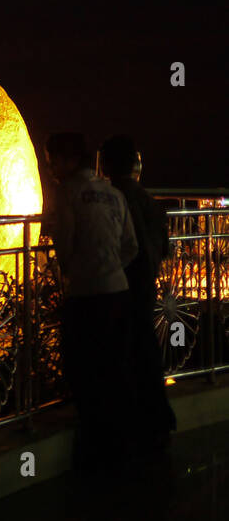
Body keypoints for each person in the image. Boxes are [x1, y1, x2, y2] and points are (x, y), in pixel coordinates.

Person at [45, 132, 139, 470]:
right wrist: (110, 267)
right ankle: (123, 449)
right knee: (116, 370)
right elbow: (131, 246)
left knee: (85, 372)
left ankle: (95, 452)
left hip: (86, 296)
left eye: (54, 159)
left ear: (70, 160)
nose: (51, 167)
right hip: (119, 291)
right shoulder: (113, 193)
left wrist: (78, 271)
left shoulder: (67, 193)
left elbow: (65, 246)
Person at [100, 134, 176, 452]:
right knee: (146, 349)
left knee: (123, 353)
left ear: (105, 165)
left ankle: (129, 426)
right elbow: (165, 248)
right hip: (146, 285)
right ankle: (156, 421)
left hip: (119, 286)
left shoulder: (111, 200)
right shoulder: (149, 201)